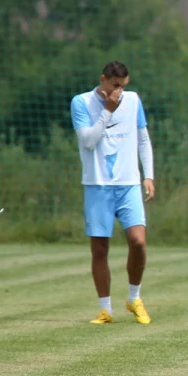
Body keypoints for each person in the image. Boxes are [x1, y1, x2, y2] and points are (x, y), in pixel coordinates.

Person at [70, 61, 155, 326]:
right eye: (115, 86)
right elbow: (88, 140)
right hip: (97, 185)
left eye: (123, 86)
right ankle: (105, 309)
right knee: (99, 249)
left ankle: (134, 297)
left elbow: (143, 139)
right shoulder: (81, 102)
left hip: (128, 183)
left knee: (138, 241)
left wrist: (148, 175)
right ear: (103, 80)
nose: (119, 92)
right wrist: (107, 111)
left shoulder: (133, 100)